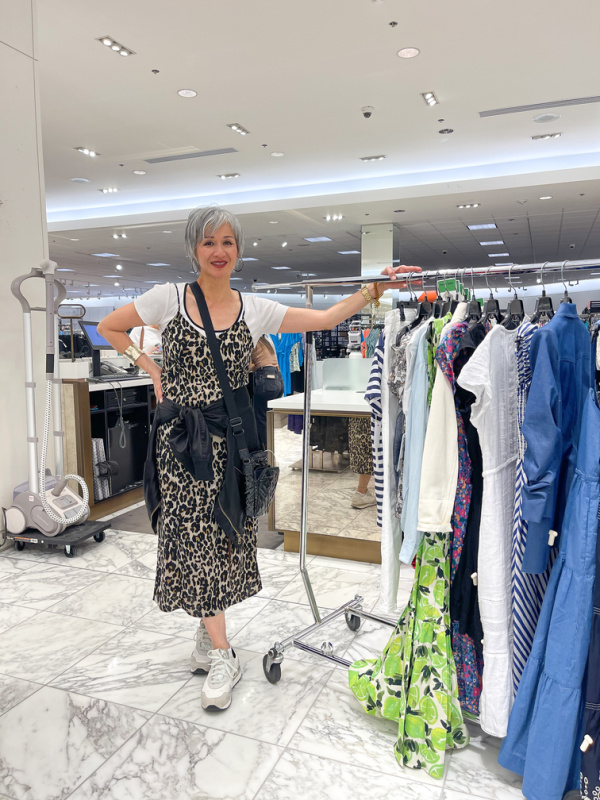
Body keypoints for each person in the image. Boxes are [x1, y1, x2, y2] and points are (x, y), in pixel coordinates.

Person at [97, 206, 418, 712]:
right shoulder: (167, 299)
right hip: (179, 448)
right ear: (193, 250)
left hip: (227, 449)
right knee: (190, 540)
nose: (219, 251)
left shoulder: (255, 310)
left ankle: (211, 634)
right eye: (208, 243)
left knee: (223, 538)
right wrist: (151, 369)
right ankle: (223, 650)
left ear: (239, 250)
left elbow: (326, 317)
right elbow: (109, 327)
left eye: (228, 242)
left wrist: (372, 288)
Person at [249, 335, 284, 449]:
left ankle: (264, 451)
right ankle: (270, 448)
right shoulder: (266, 341)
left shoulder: (251, 340)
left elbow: (249, 366)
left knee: (260, 419)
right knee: (268, 418)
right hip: (278, 378)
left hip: (265, 378)